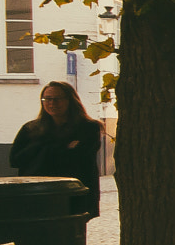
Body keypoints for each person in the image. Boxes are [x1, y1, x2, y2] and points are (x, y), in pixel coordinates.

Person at [10, 81, 105, 216]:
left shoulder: (88, 127)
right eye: (47, 99)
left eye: (57, 99)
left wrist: (39, 152)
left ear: (70, 100)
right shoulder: (30, 129)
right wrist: (59, 146)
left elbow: (78, 158)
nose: (52, 103)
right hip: (37, 198)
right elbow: (15, 160)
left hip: (74, 198)